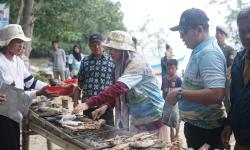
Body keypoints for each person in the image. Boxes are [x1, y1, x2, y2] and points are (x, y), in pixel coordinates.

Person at [73, 30, 168, 141]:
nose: (110, 52)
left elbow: (119, 87)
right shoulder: (121, 64)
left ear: (122, 49)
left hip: (153, 116)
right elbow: (121, 93)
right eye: (109, 49)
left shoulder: (137, 62)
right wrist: (106, 106)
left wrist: (89, 103)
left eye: (112, 49)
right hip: (138, 118)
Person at [168, 8, 227, 149]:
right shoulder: (200, 50)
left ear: (199, 30)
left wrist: (179, 93)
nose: (181, 37)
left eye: (183, 32)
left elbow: (216, 94)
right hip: (197, 127)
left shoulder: (209, 53)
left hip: (207, 131)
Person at [0, 24, 57, 150]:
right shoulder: (1, 62)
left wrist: (50, 88)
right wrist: (38, 93)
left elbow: (30, 81)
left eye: (22, 42)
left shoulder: (18, 61)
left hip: (13, 111)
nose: (22, 45)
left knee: (14, 144)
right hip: (3, 113)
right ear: (7, 43)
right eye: (17, 42)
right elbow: (14, 94)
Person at [221, 7, 250, 149]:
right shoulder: (238, 61)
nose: (247, 36)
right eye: (242, 31)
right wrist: (230, 123)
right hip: (242, 141)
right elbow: (235, 100)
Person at [72, 33, 115, 126]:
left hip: (105, 106)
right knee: (88, 133)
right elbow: (79, 83)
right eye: (93, 45)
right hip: (87, 105)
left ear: (103, 44)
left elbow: (116, 85)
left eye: (98, 44)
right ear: (89, 46)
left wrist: (108, 104)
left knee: (108, 133)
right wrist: (75, 101)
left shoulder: (112, 60)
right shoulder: (85, 61)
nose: (96, 47)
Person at [216, 25, 236, 114]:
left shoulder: (229, 49)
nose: (219, 35)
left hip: (225, 79)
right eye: (217, 33)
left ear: (225, 36)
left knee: (227, 100)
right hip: (212, 78)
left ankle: (230, 120)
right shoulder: (211, 49)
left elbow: (230, 67)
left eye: (221, 33)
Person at [161, 59, 182, 142]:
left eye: (172, 68)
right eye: (168, 68)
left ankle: (177, 134)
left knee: (176, 118)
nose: (170, 70)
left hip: (176, 103)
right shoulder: (164, 79)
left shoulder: (178, 79)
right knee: (168, 118)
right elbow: (163, 91)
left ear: (176, 68)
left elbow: (181, 92)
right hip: (167, 102)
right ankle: (171, 134)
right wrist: (165, 99)